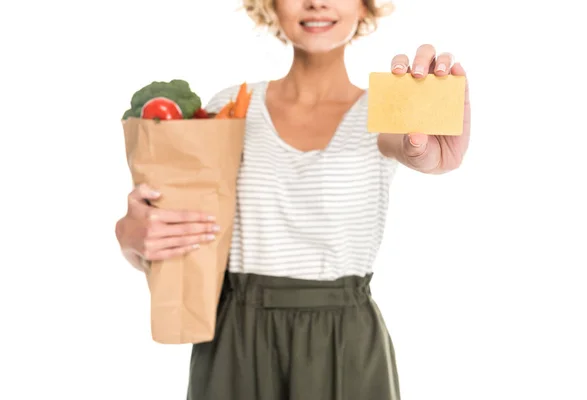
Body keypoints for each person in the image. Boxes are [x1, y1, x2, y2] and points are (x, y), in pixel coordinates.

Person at [115, 0, 471, 399]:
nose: (317, 1)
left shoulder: (386, 110)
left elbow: (408, 146)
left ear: (365, 5)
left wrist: (426, 153)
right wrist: (131, 239)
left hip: (345, 341)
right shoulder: (230, 109)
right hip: (235, 337)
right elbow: (186, 237)